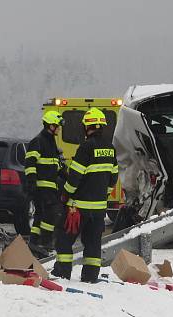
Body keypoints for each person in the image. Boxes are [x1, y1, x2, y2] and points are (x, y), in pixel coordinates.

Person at [52, 108, 118, 283]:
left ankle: (62, 274)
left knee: (64, 241)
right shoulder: (110, 149)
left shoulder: (86, 147)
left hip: (78, 208)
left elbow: (74, 177)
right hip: (98, 211)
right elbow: (113, 179)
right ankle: (90, 277)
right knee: (93, 244)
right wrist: (100, 196)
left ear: (87, 127)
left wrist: (65, 195)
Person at [24, 110, 65, 253]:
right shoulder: (38, 141)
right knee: (50, 214)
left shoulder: (51, 142)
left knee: (40, 215)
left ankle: (34, 241)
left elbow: (56, 165)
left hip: (50, 186)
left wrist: (66, 175)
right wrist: (32, 183)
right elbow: (30, 163)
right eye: (57, 126)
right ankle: (46, 243)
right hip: (42, 187)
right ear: (50, 125)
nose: (59, 129)